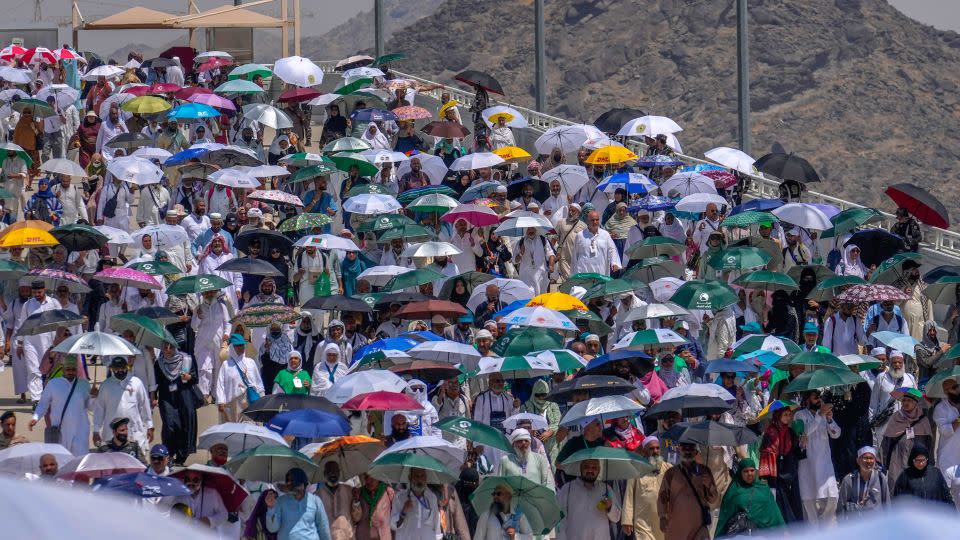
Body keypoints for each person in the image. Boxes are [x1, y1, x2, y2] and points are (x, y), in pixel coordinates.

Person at [794, 390, 841, 525]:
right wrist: (820, 415)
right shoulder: (799, 415)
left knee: (832, 496)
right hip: (808, 465)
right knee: (810, 505)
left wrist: (830, 419)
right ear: (807, 400)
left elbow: (836, 434)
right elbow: (805, 431)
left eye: (820, 397)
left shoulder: (824, 416)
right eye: (815, 398)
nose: (819, 400)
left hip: (825, 464)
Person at [13, 280, 63, 404]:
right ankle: (36, 400)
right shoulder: (28, 305)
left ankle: (50, 397)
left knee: (50, 370)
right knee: (33, 370)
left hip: (50, 342)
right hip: (31, 343)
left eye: (39, 292)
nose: (37, 295)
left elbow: (62, 322)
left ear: (45, 290)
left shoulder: (54, 303)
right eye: (34, 292)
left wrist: (60, 340)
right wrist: (20, 343)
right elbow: (22, 324)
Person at [657, 443, 718, 540]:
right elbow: (662, 497)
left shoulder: (704, 471)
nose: (687, 451)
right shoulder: (671, 473)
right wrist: (662, 517)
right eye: (684, 448)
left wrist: (708, 484)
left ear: (696, 452)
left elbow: (713, 499)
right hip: (677, 526)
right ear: (679, 450)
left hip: (698, 525)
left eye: (691, 448)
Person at [92, 357, 153, 451]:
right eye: (117, 369)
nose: (120, 371)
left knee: (136, 462)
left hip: (134, 432)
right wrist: (96, 430)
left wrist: (149, 426)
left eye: (123, 368)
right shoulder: (106, 385)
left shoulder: (137, 383)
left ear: (127, 367)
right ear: (111, 369)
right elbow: (99, 410)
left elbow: (144, 406)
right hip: (112, 436)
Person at [714, 458, 785, 537]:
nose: (749, 473)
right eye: (745, 471)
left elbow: (775, 510)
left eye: (752, 470)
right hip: (743, 534)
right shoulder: (734, 491)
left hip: (767, 533)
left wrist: (784, 530)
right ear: (740, 473)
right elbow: (725, 516)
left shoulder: (763, 488)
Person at [881, 388, 933, 491]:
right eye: (904, 400)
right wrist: (881, 463)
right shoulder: (896, 417)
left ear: (915, 403)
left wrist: (930, 462)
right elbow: (886, 443)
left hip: (917, 461)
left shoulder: (923, 420)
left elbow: (929, 444)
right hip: (897, 459)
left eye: (909, 401)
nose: (905, 403)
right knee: (896, 487)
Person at [760, 407, 803, 522]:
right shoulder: (771, 431)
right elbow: (766, 453)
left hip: (790, 472)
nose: (788, 417)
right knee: (781, 505)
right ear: (778, 415)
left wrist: (802, 442)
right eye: (785, 415)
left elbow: (797, 453)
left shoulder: (790, 432)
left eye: (789, 415)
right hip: (776, 473)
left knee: (794, 503)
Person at [623, 437, 671, 540]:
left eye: (657, 448)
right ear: (644, 451)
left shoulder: (669, 469)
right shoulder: (636, 471)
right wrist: (627, 520)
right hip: (643, 523)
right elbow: (629, 496)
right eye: (651, 449)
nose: (655, 451)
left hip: (664, 520)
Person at [215, 333, 265, 423]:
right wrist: (221, 401)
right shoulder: (226, 365)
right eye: (237, 346)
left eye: (242, 345)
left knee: (248, 425)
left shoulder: (251, 362)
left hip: (249, 399)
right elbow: (220, 384)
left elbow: (258, 381)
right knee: (231, 427)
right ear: (232, 347)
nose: (240, 348)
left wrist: (262, 397)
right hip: (231, 402)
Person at [192, 289, 232, 399]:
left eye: (211, 292)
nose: (209, 294)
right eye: (206, 292)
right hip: (203, 342)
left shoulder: (221, 306)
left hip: (218, 341)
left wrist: (226, 334)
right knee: (204, 367)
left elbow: (227, 322)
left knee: (218, 368)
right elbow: (193, 326)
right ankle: (204, 394)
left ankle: (216, 394)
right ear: (203, 294)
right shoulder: (198, 308)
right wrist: (198, 317)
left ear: (215, 293)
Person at [837, 446, 890, 519]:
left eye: (871, 458)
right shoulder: (849, 479)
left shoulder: (881, 478)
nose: (869, 461)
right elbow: (841, 506)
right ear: (858, 461)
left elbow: (887, 504)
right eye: (865, 458)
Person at [390, 467, 439, 540]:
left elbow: (436, 526)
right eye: (416, 476)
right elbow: (392, 525)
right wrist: (403, 512)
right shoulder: (400, 497)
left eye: (422, 476)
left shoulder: (432, 498)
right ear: (410, 477)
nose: (420, 479)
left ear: (426, 478)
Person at [317, 461, 360, 539]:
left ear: (339, 473)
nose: (332, 474)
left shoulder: (349, 490)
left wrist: (356, 501)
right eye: (329, 471)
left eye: (335, 471)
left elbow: (357, 518)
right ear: (324, 473)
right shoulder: (317, 495)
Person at [572, 211, 622, 276]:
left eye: (597, 220)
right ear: (588, 221)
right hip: (583, 272)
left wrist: (614, 263)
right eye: (592, 220)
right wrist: (574, 274)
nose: (595, 222)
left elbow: (612, 249)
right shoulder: (580, 236)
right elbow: (575, 255)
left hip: (600, 272)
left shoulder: (605, 234)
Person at [933, 377, 960, 472]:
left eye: (957, 386)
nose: (957, 389)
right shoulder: (940, 408)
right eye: (953, 388)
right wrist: (959, 419)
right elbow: (946, 432)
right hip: (949, 460)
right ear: (946, 392)